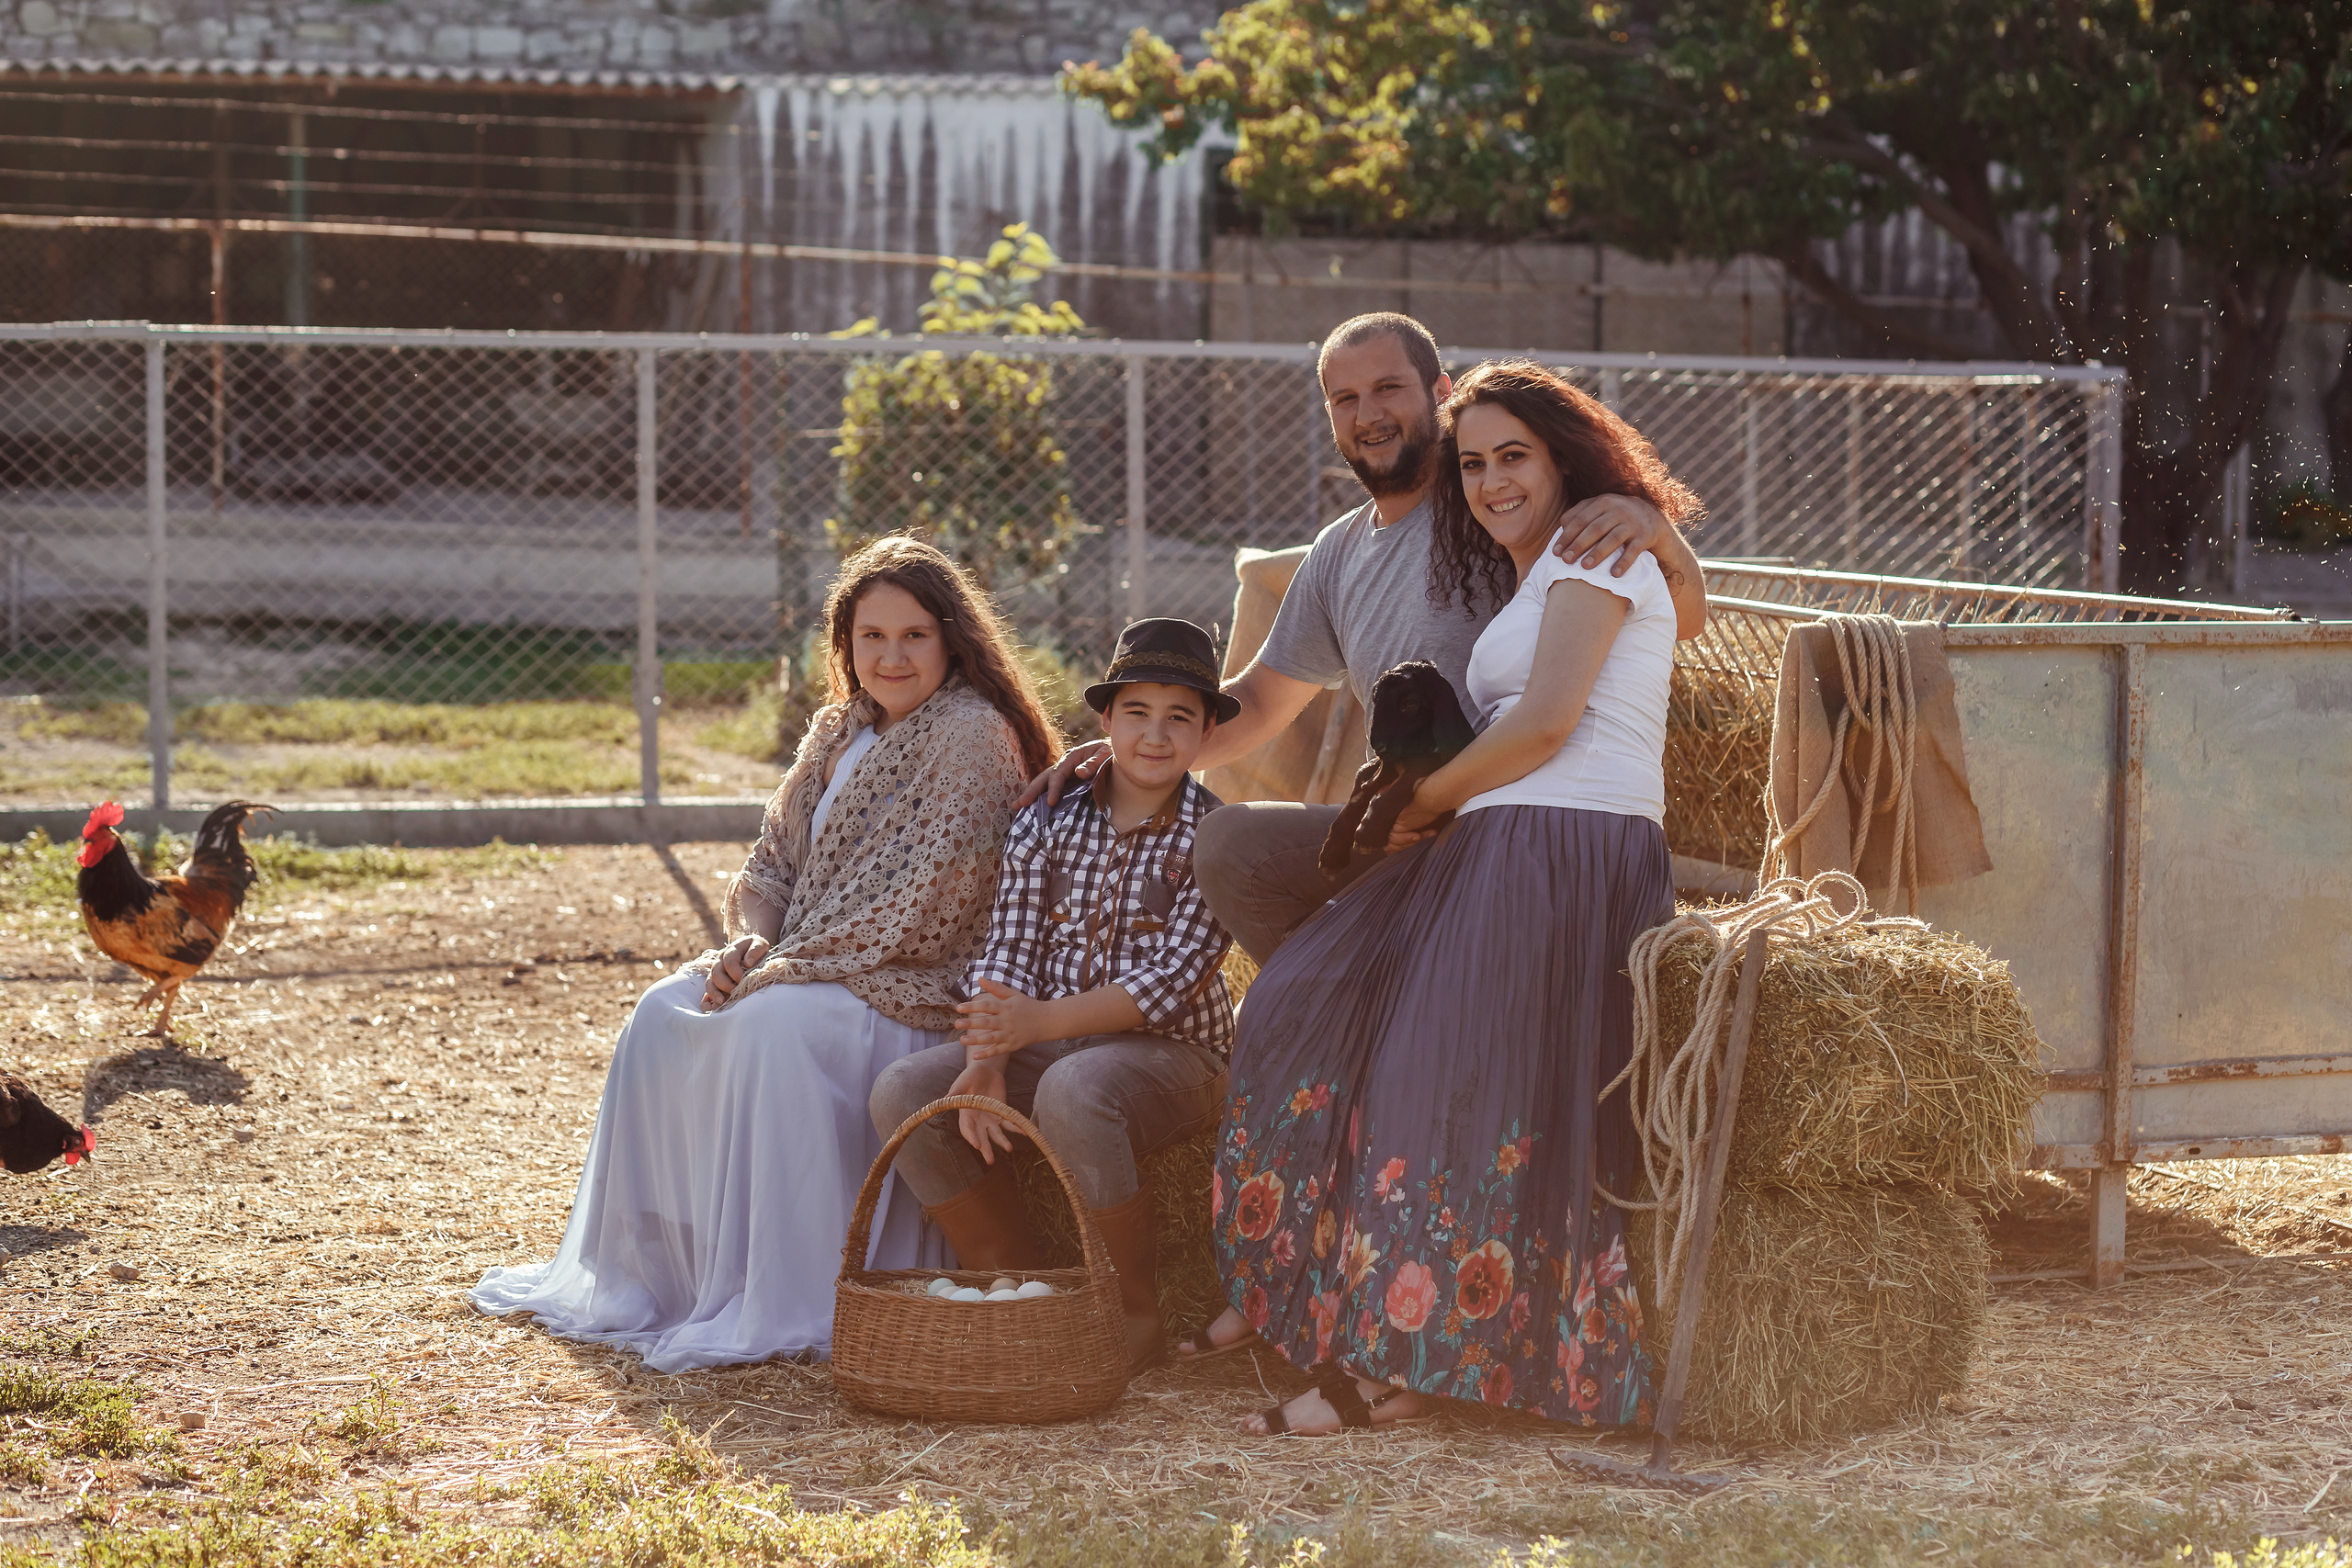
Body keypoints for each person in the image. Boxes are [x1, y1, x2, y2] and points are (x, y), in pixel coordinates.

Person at [1198, 358, 1696, 1435]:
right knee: (1300, 1003)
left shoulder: (1588, 547)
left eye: (1512, 456)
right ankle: (1346, 1308)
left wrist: (1416, 805)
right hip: (1506, 835)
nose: (1489, 481)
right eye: (1473, 464)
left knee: (1429, 1077)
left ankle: (1404, 1362)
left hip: (1560, 843)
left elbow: (1547, 724)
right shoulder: (1549, 562)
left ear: (1565, 459)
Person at [469, 536, 1062, 1372]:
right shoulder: (836, 730)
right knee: (660, 1014)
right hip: (816, 963)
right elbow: (771, 866)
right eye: (871, 637)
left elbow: (925, 906)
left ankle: (794, 1291)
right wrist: (749, 940)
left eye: (914, 636)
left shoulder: (971, 734)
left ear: (952, 639)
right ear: (844, 644)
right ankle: (662, 1280)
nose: (891, 656)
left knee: (769, 1027)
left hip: (910, 992)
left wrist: (783, 968)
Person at [1026, 311, 1707, 974]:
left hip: (1498, 814)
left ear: (1441, 392)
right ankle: (1348, 1012)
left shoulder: (1491, 503)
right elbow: (1261, 699)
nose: (1367, 414)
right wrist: (1140, 743)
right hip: (1401, 816)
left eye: (1388, 388)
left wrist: (1652, 524)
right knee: (1232, 845)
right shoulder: (1338, 551)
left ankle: (1370, 1011)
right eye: (1344, 399)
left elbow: (1676, 617)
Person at [869, 618, 1238, 1374]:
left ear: (1206, 734)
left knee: (1074, 1088)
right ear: (1106, 722)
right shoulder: (1047, 821)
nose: (1156, 736)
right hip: (1048, 1038)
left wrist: (1034, 1025)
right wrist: (988, 1057)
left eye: (1180, 718)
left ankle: (1130, 1309)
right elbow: (1008, 943)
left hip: (1174, 1056)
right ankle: (1019, 1278)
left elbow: (1166, 985)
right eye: (1137, 713)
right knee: (905, 1089)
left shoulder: (1214, 835)